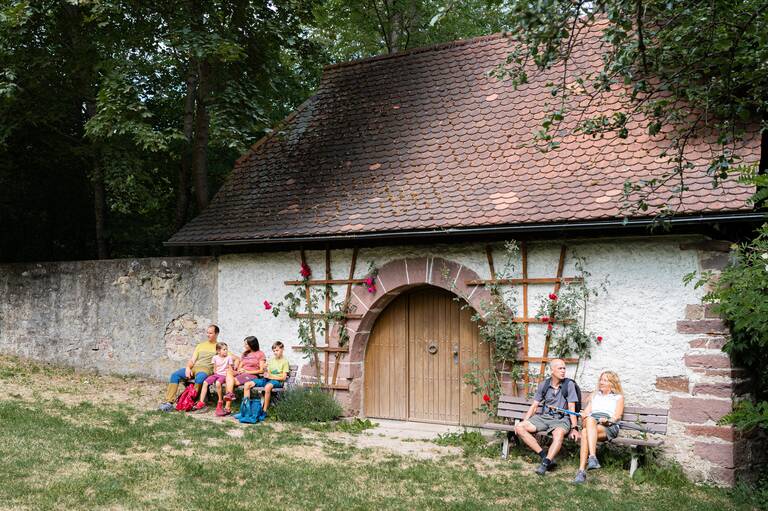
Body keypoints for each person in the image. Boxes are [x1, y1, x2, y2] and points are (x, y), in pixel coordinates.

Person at [514, 358, 580, 475]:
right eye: (560, 368)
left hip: (562, 419)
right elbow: (534, 406)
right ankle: (544, 456)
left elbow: (571, 409)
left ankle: (545, 464)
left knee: (558, 433)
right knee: (520, 427)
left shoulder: (569, 385)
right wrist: (524, 421)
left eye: (564, 368)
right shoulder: (543, 385)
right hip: (545, 418)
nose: (563, 371)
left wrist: (574, 428)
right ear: (552, 370)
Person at [573, 371, 625, 484]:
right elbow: (586, 413)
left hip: (608, 426)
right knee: (589, 423)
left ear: (612, 383)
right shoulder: (595, 396)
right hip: (592, 423)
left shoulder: (618, 397)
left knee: (586, 432)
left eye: (605, 380)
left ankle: (582, 471)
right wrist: (583, 415)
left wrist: (608, 421)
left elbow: (617, 416)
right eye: (601, 379)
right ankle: (592, 458)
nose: (601, 382)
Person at [158, 324, 220, 412]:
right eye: (207, 333)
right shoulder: (200, 345)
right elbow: (192, 360)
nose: (208, 335)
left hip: (206, 369)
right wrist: (188, 368)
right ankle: (169, 402)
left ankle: (191, 402)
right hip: (194, 368)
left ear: (216, 334)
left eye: (210, 333)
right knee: (175, 375)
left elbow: (231, 357)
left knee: (200, 379)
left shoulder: (219, 347)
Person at [221, 336, 266, 416]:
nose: (244, 346)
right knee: (228, 371)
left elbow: (261, 370)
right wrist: (239, 370)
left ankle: (227, 407)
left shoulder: (260, 354)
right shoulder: (245, 353)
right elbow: (240, 366)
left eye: (246, 344)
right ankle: (230, 395)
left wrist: (247, 371)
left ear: (252, 344)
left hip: (251, 375)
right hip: (242, 373)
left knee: (231, 382)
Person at [248, 341, 289, 421]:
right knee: (248, 384)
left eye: (277, 350)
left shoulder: (285, 362)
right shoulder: (271, 360)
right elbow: (267, 373)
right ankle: (247, 409)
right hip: (267, 379)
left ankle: (264, 410)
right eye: (274, 351)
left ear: (282, 349)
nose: (275, 352)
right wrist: (265, 369)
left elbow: (284, 378)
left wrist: (271, 376)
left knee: (267, 387)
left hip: (277, 382)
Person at [193, 342, 237, 415]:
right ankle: (201, 402)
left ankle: (220, 401)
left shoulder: (228, 358)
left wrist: (231, 373)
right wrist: (213, 376)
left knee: (218, 383)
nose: (226, 351)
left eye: (226, 349)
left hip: (224, 375)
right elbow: (215, 368)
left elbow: (230, 369)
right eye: (224, 349)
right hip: (216, 374)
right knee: (205, 382)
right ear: (218, 351)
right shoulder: (215, 357)